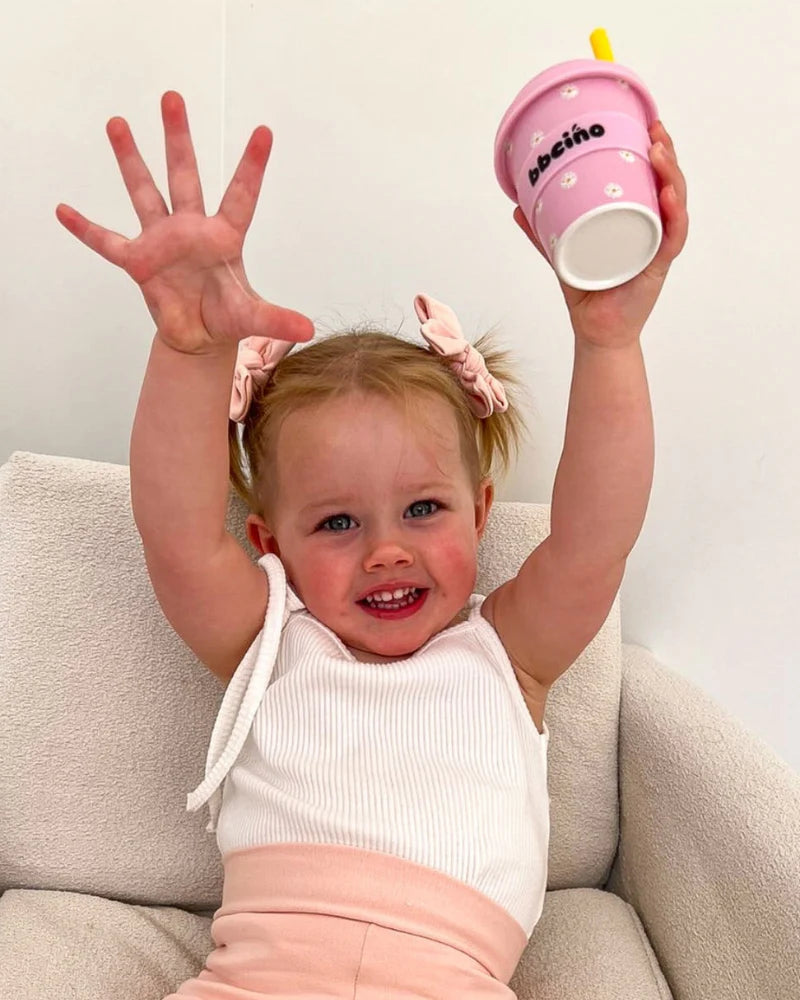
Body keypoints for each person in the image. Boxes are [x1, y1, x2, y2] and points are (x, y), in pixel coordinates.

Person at [55, 90, 688, 999]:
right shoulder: (269, 644)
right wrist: (189, 353)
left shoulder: (508, 660)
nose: (386, 551)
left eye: (423, 510)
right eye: (339, 524)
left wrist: (611, 339)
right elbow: (180, 533)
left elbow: (596, 539)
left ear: (480, 514)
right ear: (271, 544)